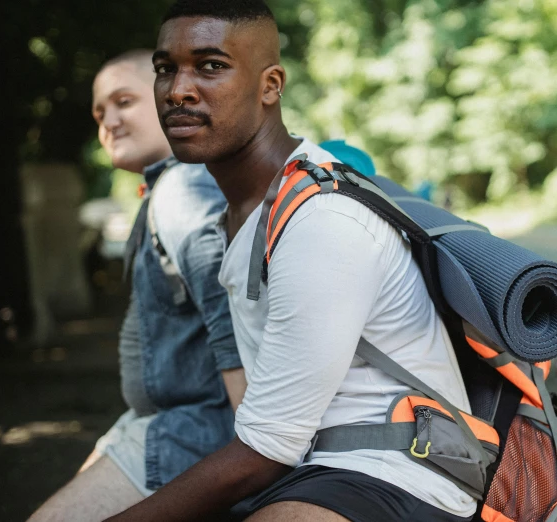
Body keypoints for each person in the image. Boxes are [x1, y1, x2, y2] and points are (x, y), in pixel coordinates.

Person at [108, 2, 476, 521]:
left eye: (211, 66)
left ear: (270, 85)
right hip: (314, 465)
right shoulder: (246, 208)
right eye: (166, 68)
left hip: (398, 471)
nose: (178, 90)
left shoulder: (321, 220)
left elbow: (262, 453)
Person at [29, 49, 245, 522]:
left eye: (123, 101)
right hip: (158, 421)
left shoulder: (184, 189)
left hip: (194, 431)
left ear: (173, 99)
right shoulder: (173, 187)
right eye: (99, 112)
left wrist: (255, 454)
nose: (109, 121)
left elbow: (229, 313)